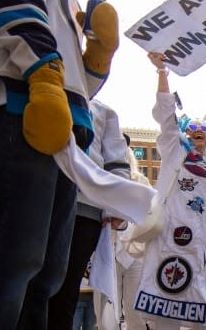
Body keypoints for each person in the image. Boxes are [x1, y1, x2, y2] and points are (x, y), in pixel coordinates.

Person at [0, 0, 121, 328]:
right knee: (8, 268)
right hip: (21, 109)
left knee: (44, 278)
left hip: (61, 127)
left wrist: (95, 60)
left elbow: (73, 80)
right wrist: (44, 74)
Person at [130, 52, 206, 329]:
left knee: (200, 311)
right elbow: (165, 115)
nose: (195, 140)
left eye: (201, 136)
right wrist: (162, 72)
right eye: (191, 135)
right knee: (164, 313)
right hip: (169, 241)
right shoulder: (174, 151)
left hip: (198, 248)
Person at [48, 98, 131, 329]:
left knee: (66, 289)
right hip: (40, 198)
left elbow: (116, 163)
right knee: (29, 284)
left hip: (84, 210)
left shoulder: (104, 111)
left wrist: (115, 206)